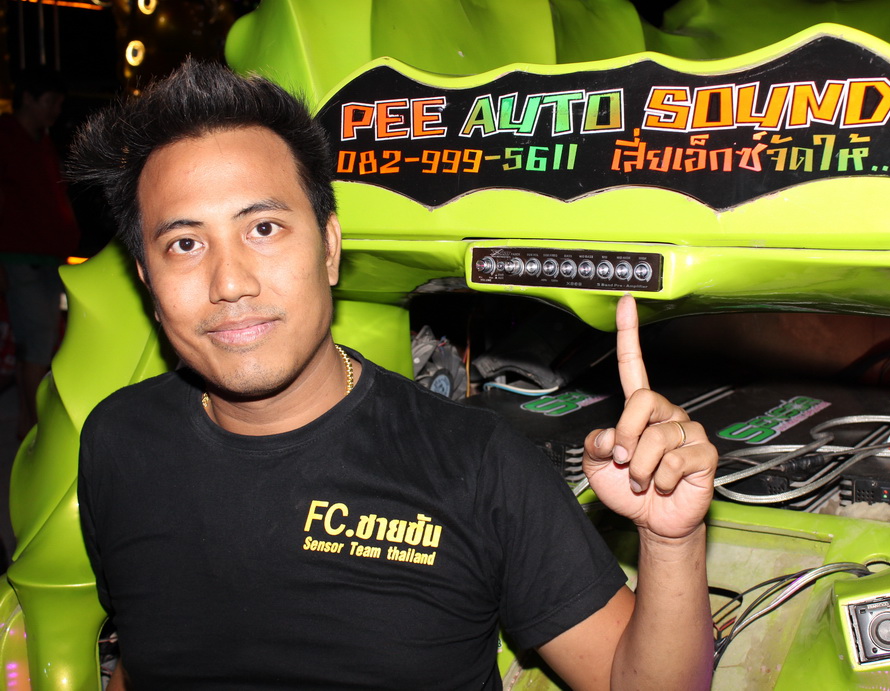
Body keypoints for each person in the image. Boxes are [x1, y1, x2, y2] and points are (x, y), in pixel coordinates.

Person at [69, 60, 718, 690]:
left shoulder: (476, 464)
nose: (230, 282)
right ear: (148, 281)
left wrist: (672, 541)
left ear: (329, 247)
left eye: (263, 228)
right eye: (185, 244)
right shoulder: (117, 442)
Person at [0, 66, 80, 439]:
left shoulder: (40, 140)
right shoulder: (7, 139)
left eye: (59, 103)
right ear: (28, 99)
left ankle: (27, 426)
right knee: (37, 344)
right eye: (50, 102)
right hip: (21, 260)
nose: (55, 110)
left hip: (46, 258)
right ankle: (35, 432)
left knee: (39, 342)